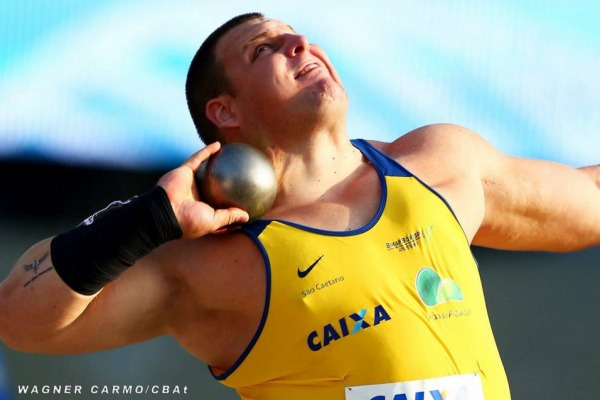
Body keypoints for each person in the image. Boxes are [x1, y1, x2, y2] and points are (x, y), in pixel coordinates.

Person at [0, 12, 598, 400]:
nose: (299, 42)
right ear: (225, 111)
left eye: (300, 37)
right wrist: (145, 220)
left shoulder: (442, 167)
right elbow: (19, 318)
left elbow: (589, 202)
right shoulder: (212, 263)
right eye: (265, 49)